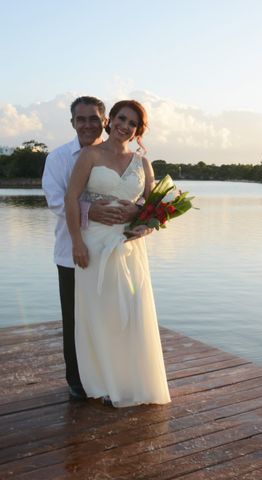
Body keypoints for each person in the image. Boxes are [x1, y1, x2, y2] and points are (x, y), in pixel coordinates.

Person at [64, 100, 171, 407]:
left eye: (133, 123)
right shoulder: (90, 155)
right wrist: (76, 242)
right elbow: (70, 199)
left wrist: (143, 225)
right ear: (111, 120)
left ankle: (131, 381)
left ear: (138, 130)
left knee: (130, 315)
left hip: (129, 248)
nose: (125, 125)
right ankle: (103, 382)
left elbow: (154, 209)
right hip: (94, 245)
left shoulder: (143, 163)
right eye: (122, 118)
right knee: (101, 314)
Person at [42, 96, 140, 401]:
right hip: (74, 250)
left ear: (104, 121)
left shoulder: (120, 154)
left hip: (114, 251)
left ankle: (109, 377)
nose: (88, 125)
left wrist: (136, 213)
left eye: (93, 119)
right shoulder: (58, 158)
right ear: (72, 123)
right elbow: (57, 201)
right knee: (75, 320)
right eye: (81, 119)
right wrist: (91, 213)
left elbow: (138, 195)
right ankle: (77, 381)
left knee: (111, 316)